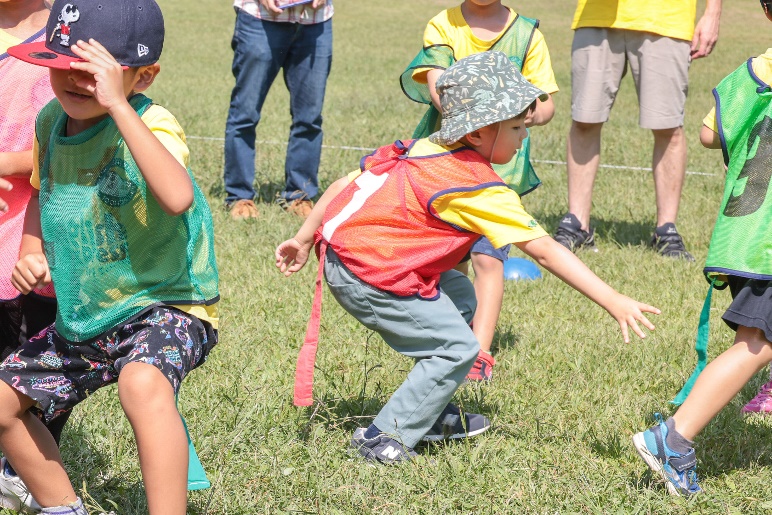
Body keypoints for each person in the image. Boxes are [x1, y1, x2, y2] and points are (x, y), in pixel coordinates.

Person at [276, 52, 659, 465]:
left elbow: (343, 184)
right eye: (515, 127)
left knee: (460, 295)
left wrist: (303, 238)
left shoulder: (427, 149)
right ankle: (382, 438)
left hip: (355, 259)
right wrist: (613, 300)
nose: (523, 137)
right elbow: (545, 251)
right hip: (371, 274)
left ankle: (429, 410)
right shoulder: (474, 188)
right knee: (456, 350)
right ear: (477, 133)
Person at [1, 0, 220, 511]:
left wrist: (119, 107)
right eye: (63, 67)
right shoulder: (50, 121)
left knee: (142, 384)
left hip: (164, 304)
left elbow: (176, 196)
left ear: (143, 77)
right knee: (5, 404)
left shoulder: (153, 122)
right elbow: (43, 186)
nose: (77, 83)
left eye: (95, 74)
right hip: (88, 313)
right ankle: (62, 506)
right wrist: (32, 249)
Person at [633, 0, 772, 495]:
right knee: (756, 345)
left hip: (741, 235)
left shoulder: (752, 71)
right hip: (766, 247)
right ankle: (674, 436)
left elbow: (710, 133)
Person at [400, 0, 558, 381]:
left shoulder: (528, 33)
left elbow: (547, 103)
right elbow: (440, 90)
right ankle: (447, 339)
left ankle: (480, 352)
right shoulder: (443, 25)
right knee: (449, 260)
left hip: (497, 171)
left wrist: (524, 115)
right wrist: (490, 112)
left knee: (489, 258)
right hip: (449, 168)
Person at [553, 0, 722, 260]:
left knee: (667, 126)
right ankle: (577, 225)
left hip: (667, 19)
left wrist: (713, 12)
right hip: (595, 16)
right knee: (584, 119)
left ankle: (666, 231)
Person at [0, 0, 73, 510]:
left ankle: (22, 467)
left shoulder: (67, 34)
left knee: (33, 353)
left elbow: (72, 136)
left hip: (38, 236)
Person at [223, 0, 333, 220]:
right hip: (260, 18)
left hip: (315, 20)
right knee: (245, 114)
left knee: (309, 119)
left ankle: (300, 196)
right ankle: (239, 196)